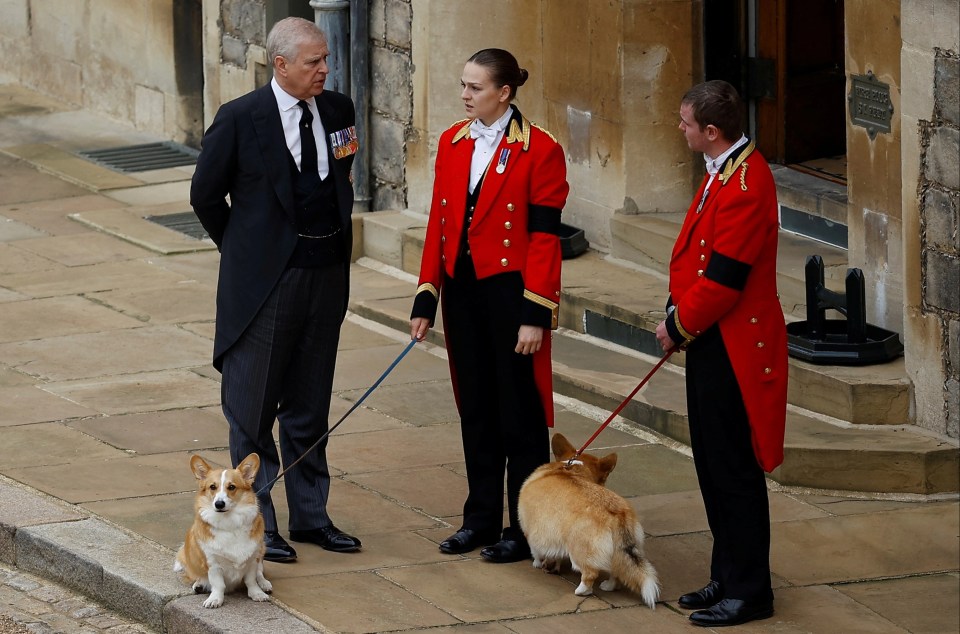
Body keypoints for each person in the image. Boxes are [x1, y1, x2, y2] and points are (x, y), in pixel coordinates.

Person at [190, 16, 362, 564]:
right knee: (254, 408)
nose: (325, 70)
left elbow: (341, 175)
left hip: (325, 278)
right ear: (281, 64)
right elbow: (204, 196)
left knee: (310, 406)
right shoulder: (240, 119)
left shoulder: (338, 111)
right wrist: (246, 254)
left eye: (327, 59)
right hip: (265, 288)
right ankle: (260, 520)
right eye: (314, 62)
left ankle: (312, 515)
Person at [409, 48, 569, 563]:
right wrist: (426, 295)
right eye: (462, 85)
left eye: (475, 88)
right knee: (474, 408)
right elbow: (439, 222)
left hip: (512, 295)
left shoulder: (540, 149)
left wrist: (536, 313)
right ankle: (479, 520)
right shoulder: (454, 142)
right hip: (463, 293)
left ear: (504, 92)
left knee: (518, 417)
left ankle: (524, 531)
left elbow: (546, 238)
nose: (464, 95)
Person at [654, 80, 787, 627]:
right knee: (711, 462)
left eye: (685, 123)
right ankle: (726, 574)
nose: (679, 129)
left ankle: (751, 590)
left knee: (733, 468)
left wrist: (675, 326)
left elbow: (726, 280)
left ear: (711, 131)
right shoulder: (724, 170)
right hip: (712, 339)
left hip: (734, 343)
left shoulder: (747, 183)